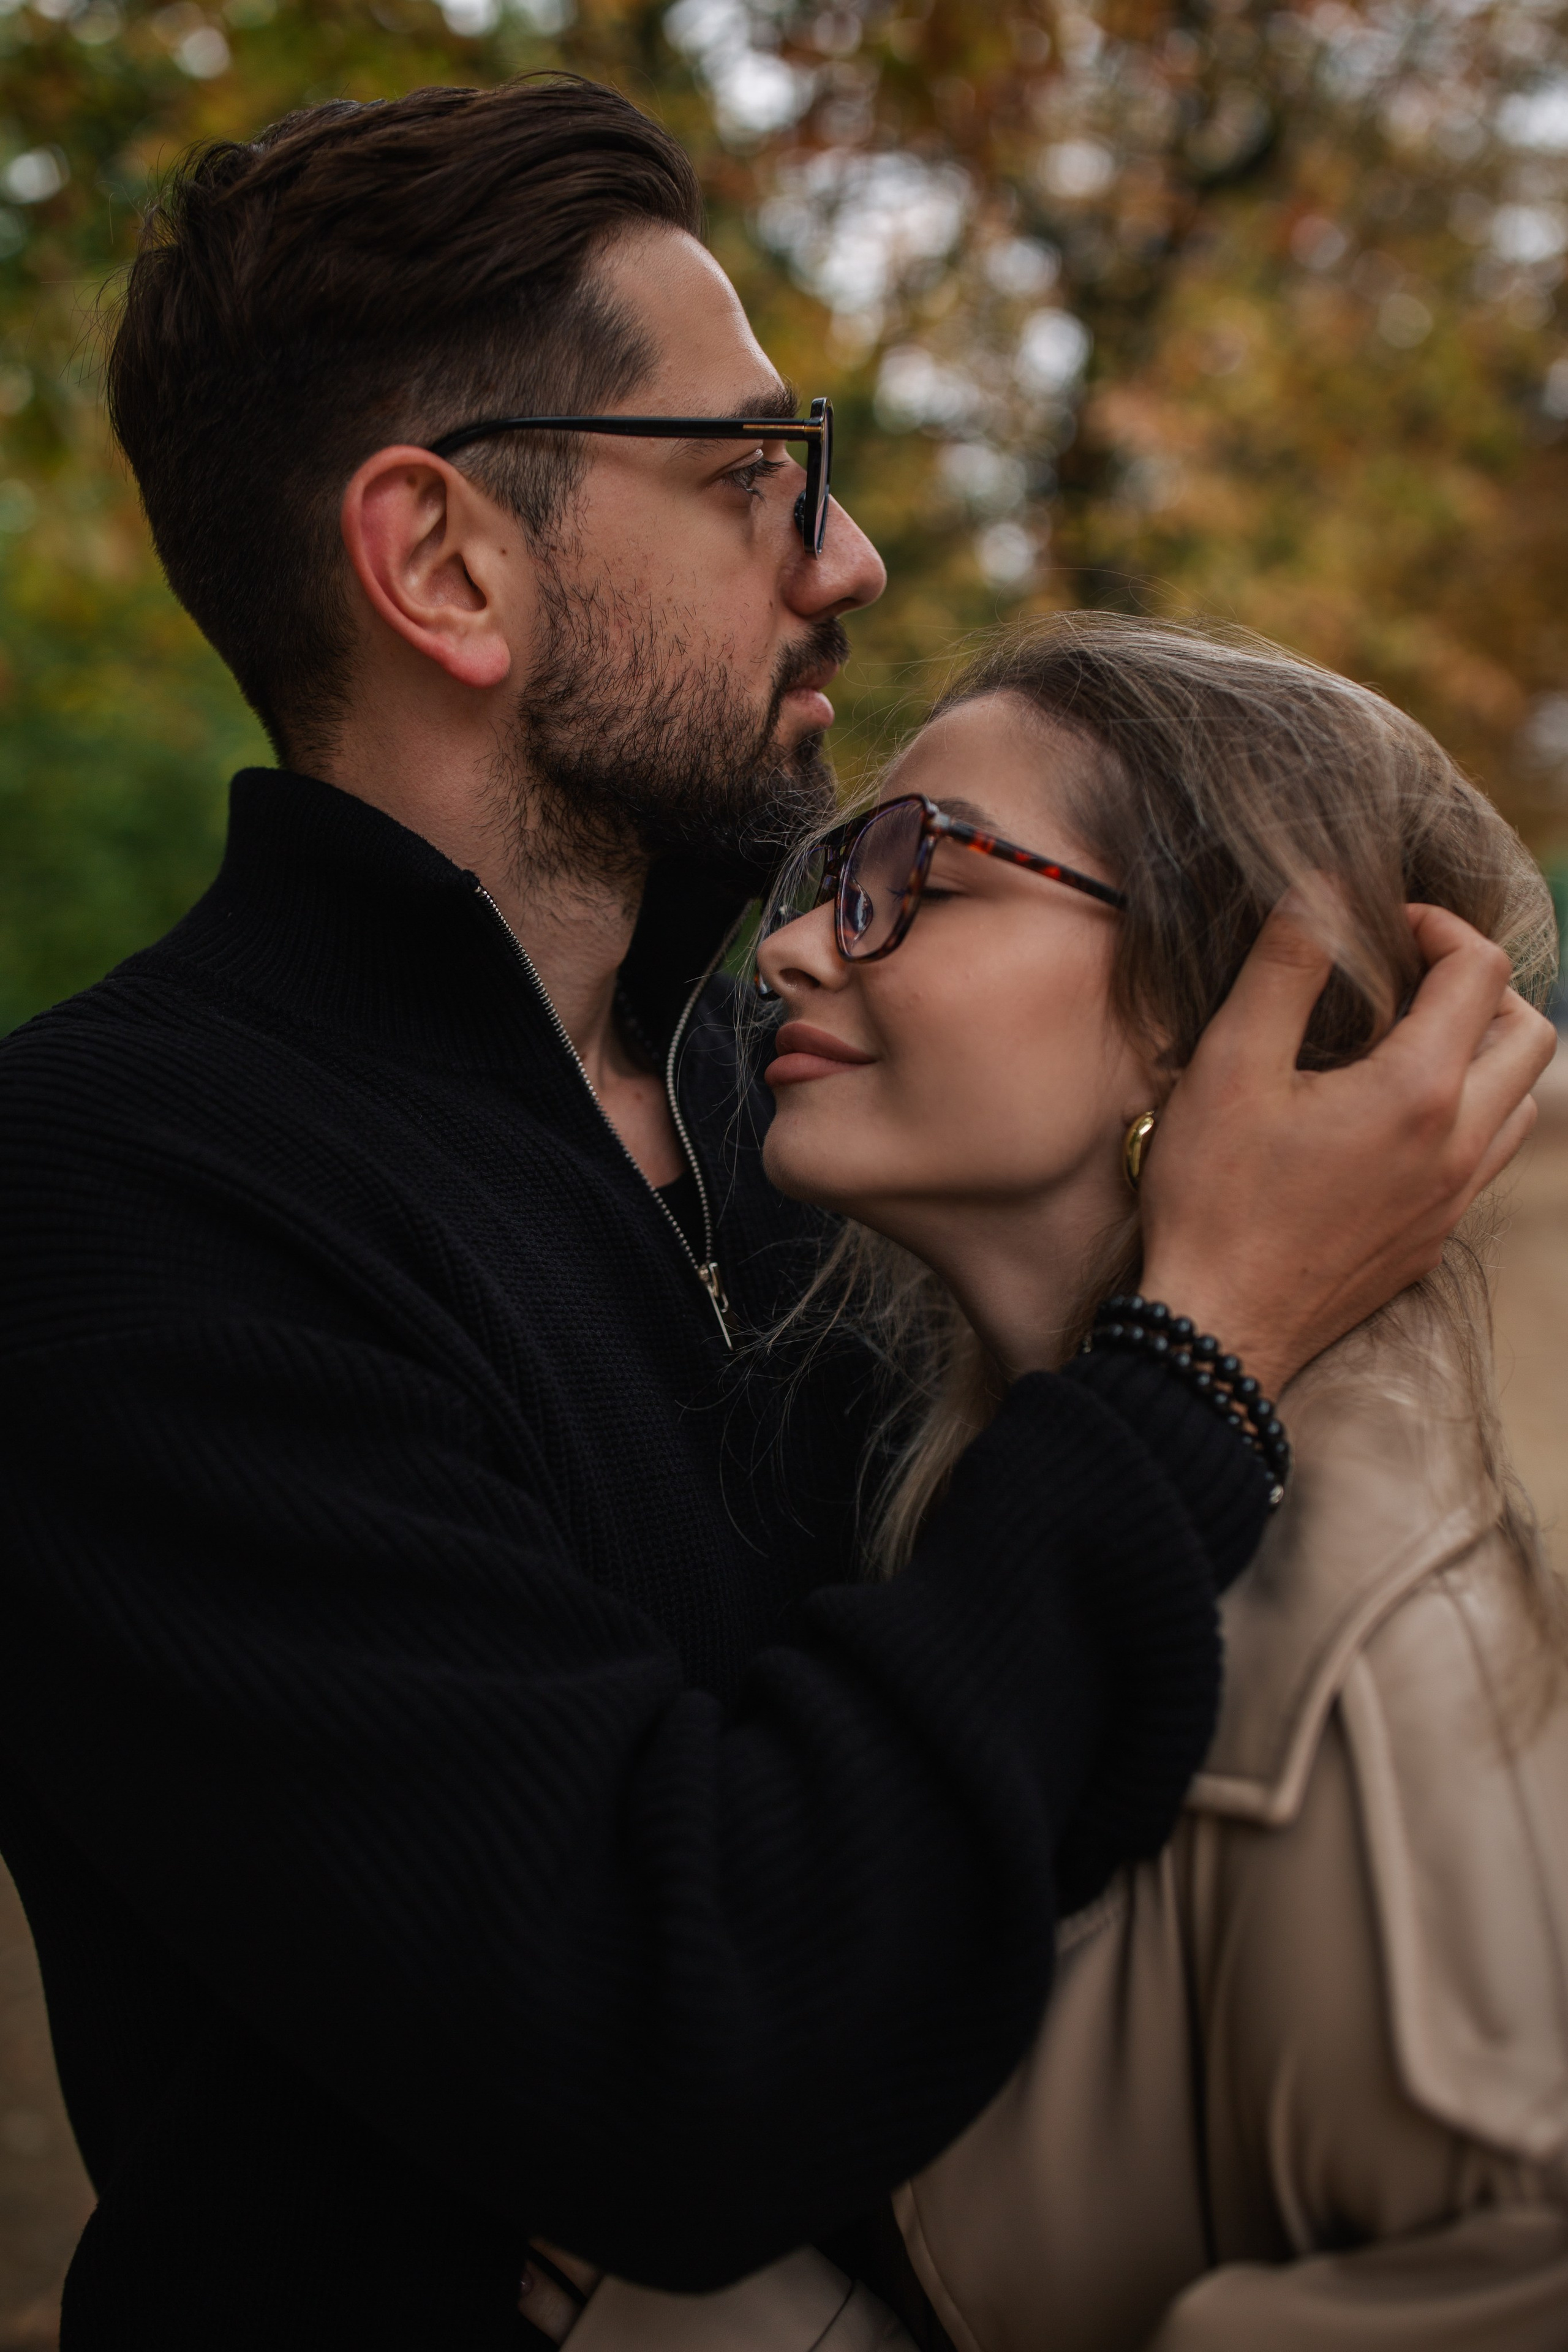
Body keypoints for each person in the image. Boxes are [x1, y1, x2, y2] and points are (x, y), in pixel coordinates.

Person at [0, 78, 1551, 2352]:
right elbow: (680, 2035)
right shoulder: (118, 1201)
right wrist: (1194, 1356)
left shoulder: (786, 1105)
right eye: (751, 479)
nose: (848, 562)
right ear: (446, 565)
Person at [739, 614, 1567, 2352]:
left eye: (913, 873)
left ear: (1219, 1005)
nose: (795, 950)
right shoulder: (1006, 1473)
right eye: (824, 876)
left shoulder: (1377, 1648)